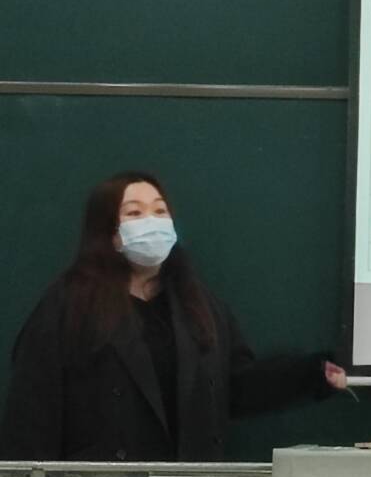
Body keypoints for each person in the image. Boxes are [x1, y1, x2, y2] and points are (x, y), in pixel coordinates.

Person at [0, 170, 348, 461]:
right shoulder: (70, 304)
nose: (151, 223)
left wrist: (310, 375)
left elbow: (235, 388)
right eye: (134, 213)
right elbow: (33, 410)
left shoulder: (199, 304)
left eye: (160, 211)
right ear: (111, 235)